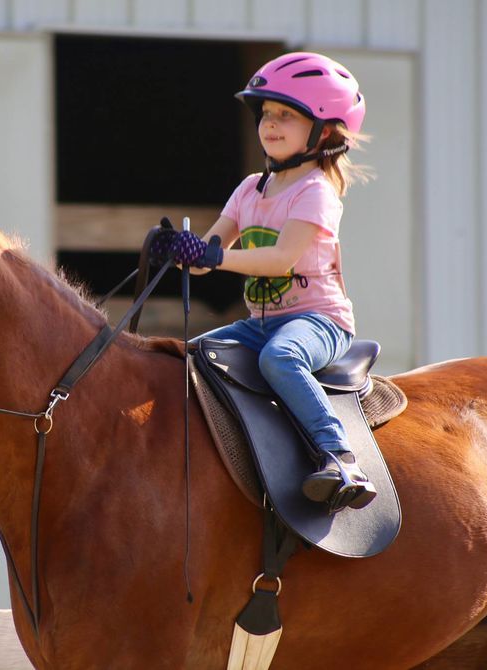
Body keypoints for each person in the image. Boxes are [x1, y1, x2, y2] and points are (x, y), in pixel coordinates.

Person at [157, 52, 375, 513]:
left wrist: (214, 256)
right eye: (266, 114)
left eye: (286, 116)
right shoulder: (250, 188)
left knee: (282, 358)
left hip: (318, 321)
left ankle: (339, 457)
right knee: (193, 357)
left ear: (326, 132)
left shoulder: (316, 191)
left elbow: (280, 260)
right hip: (260, 322)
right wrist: (182, 251)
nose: (270, 125)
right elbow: (205, 260)